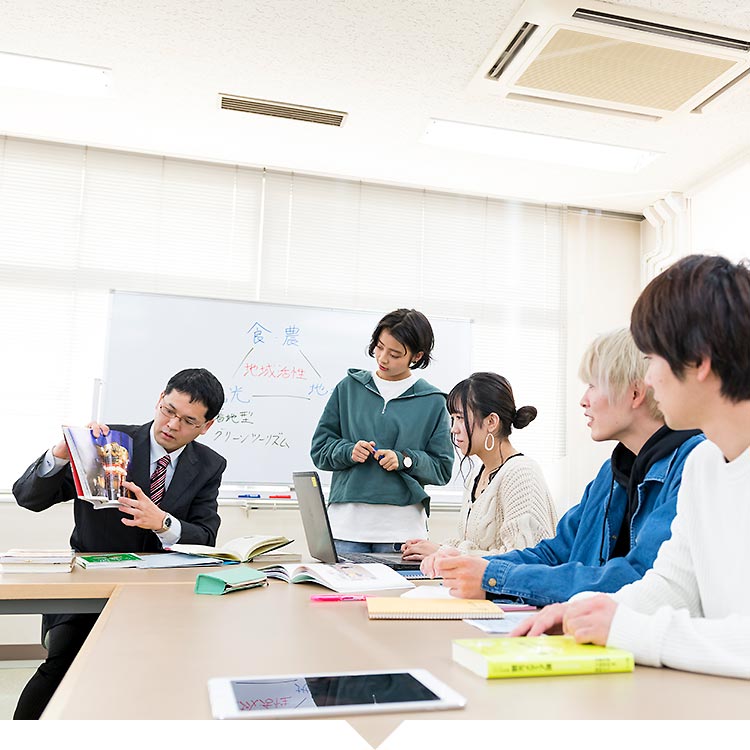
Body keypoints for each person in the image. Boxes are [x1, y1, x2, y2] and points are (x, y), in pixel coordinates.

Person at [512, 254, 750, 679]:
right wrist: (579, 614)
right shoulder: (703, 465)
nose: (650, 379)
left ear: (699, 361)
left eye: (652, 359)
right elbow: (673, 586)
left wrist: (625, 628)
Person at [421, 328, 704, 605]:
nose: (584, 400)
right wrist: (472, 564)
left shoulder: (693, 465)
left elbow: (639, 577)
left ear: (635, 393)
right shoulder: (611, 473)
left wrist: (491, 575)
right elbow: (555, 552)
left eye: (594, 385)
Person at [12, 367, 227, 719]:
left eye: (188, 420)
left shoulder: (209, 465)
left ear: (207, 426)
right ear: (159, 399)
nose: (172, 425)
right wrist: (64, 452)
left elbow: (205, 537)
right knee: (63, 668)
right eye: (169, 410)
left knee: (171, 674)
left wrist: (164, 523)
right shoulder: (106, 443)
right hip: (89, 593)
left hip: (164, 598)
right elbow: (27, 497)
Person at [310, 308, 453, 555]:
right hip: (346, 528)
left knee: (395, 595)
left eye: (395, 354)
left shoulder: (433, 401)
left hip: (402, 533)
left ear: (417, 357)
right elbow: (320, 450)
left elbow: (442, 469)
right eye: (379, 347)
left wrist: (404, 459)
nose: (383, 358)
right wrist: (348, 451)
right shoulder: (348, 388)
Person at [400, 372, 557, 561]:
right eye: (453, 418)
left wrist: (444, 554)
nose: (453, 428)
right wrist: (437, 548)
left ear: (491, 422)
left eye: (461, 418)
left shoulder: (522, 473)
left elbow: (525, 559)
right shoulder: (478, 473)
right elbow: (476, 548)